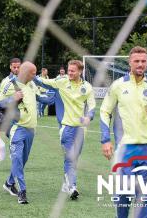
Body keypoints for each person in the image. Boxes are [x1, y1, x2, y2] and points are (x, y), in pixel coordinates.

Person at [100, 46, 147, 218]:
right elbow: (105, 111)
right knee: (123, 195)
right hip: (125, 148)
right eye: (137, 61)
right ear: (130, 62)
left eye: (143, 61)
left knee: (143, 197)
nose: (140, 64)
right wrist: (105, 139)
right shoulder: (118, 85)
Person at [34, 60, 95, 200]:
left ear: (80, 71)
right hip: (66, 127)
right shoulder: (62, 82)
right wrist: (31, 75)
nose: (70, 73)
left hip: (80, 129)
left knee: (75, 158)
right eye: (69, 70)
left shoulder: (87, 87)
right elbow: (43, 83)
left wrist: (89, 117)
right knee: (70, 157)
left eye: (73, 71)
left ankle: (65, 183)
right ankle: (72, 186)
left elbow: (92, 106)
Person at [0, 61, 40, 204]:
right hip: (17, 129)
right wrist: (12, 98)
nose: (35, 75)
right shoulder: (10, 83)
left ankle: (9, 183)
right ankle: (22, 192)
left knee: (22, 161)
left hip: (31, 130)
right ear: (26, 73)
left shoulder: (31, 84)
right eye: (33, 73)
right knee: (18, 160)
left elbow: (41, 98)